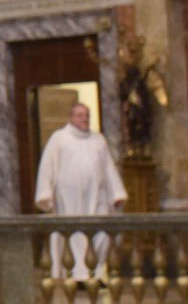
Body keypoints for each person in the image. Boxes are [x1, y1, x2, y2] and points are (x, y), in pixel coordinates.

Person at [35, 102, 127, 282]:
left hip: (97, 196)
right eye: (80, 115)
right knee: (75, 234)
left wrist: (117, 193)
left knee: (101, 233)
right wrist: (45, 193)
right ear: (71, 118)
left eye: (86, 115)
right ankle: (78, 274)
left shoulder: (98, 139)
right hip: (69, 198)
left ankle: (98, 272)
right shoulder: (59, 138)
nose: (84, 118)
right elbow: (47, 166)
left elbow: (108, 168)